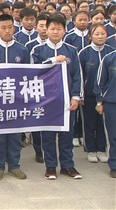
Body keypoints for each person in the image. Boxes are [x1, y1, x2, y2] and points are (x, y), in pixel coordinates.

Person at [31, 12, 83, 180]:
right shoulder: (38, 50)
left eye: (58, 29)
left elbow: (77, 75)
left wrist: (76, 97)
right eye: (52, 29)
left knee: (66, 134)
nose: (55, 32)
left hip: (66, 100)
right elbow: (33, 71)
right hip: (47, 101)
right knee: (48, 136)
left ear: (64, 30)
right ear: (46, 29)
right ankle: (51, 166)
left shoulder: (71, 51)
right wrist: (53, 60)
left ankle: (68, 165)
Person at [0, 13, 30, 180]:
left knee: (16, 135)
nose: (7, 31)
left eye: (10, 27)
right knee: (0, 135)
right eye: (3, 28)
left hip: (16, 100)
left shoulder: (22, 49)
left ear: (14, 28)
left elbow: (29, 75)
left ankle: (14, 166)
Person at [79, 24, 113, 163]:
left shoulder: (111, 52)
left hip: (106, 96)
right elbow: (80, 75)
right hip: (88, 95)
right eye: (97, 34)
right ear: (90, 36)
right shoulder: (84, 53)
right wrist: (80, 94)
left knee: (103, 123)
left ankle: (101, 148)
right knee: (89, 122)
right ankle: (90, 149)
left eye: (103, 34)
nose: (100, 36)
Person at [94, 45, 116, 178]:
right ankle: (114, 164)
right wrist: (99, 101)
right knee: (113, 135)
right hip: (111, 103)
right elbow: (100, 82)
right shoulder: (109, 58)